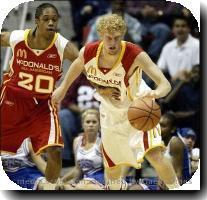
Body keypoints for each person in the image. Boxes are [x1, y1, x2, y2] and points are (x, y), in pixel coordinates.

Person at [52, 14, 180, 190]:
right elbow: (77, 67)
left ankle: (176, 189)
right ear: (100, 35)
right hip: (110, 115)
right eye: (108, 38)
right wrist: (62, 89)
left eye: (117, 38)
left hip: (138, 110)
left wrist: (154, 93)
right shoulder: (88, 52)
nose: (112, 43)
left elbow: (165, 84)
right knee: (111, 168)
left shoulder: (134, 54)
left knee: (155, 155)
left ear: (123, 34)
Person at [0, 3, 79, 189]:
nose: (51, 23)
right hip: (13, 100)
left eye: (54, 19)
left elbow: (84, 62)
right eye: (46, 19)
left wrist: (102, 86)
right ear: (36, 21)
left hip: (43, 105)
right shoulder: (18, 37)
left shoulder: (62, 45)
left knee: (56, 150)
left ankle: (49, 189)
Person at [59, 73, 99, 167]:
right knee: (63, 115)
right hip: (79, 115)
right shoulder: (77, 77)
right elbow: (66, 101)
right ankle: (66, 157)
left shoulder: (108, 77)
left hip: (103, 116)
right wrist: (82, 111)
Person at [61, 109, 105, 190]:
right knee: (62, 186)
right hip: (84, 180)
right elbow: (78, 169)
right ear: (82, 125)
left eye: (94, 122)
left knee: (80, 187)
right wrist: (62, 181)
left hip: (100, 178)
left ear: (99, 125)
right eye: (88, 122)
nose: (91, 125)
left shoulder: (102, 143)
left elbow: (108, 170)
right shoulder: (77, 141)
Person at [157, 15, 199, 81]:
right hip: (173, 84)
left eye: (183, 26)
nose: (180, 29)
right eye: (177, 26)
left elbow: (198, 70)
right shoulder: (167, 47)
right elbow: (160, 68)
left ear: (189, 29)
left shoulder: (197, 45)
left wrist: (185, 74)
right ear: (173, 29)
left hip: (191, 85)